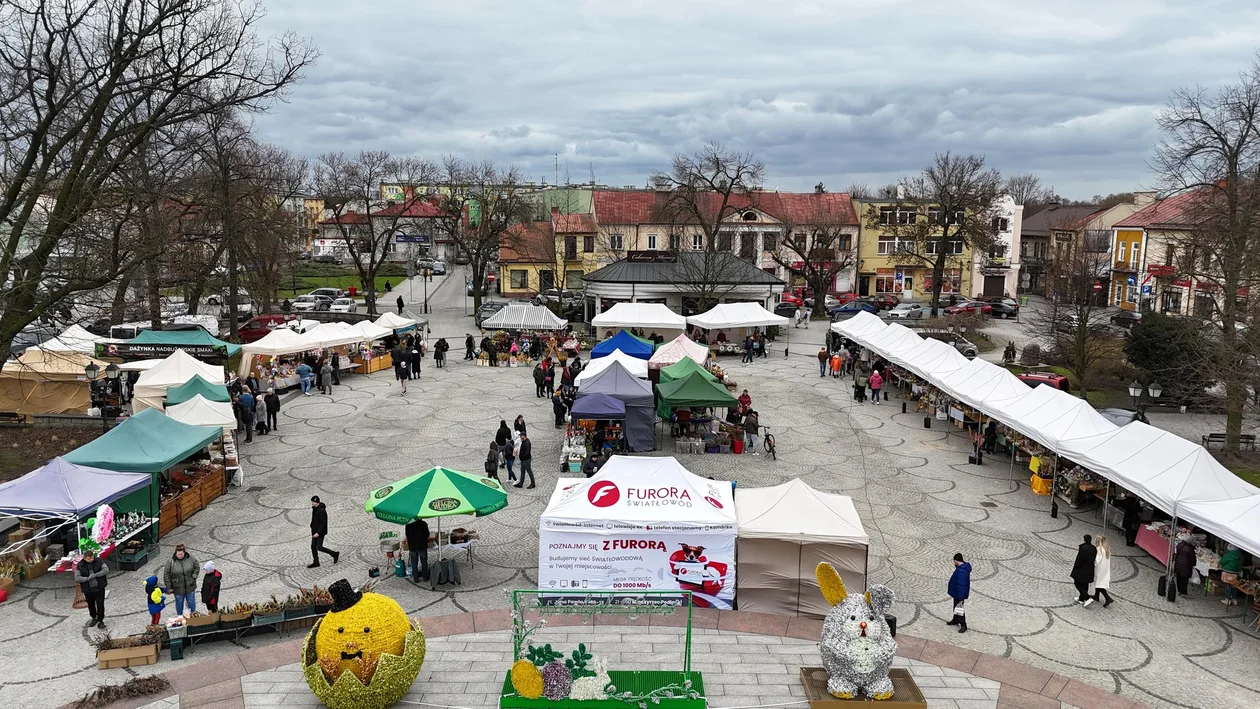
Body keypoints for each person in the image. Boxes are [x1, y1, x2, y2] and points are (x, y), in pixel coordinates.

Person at [75, 548, 108, 629]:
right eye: (89, 558)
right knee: (91, 604)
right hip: (88, 589)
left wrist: (95, 575)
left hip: (99, 587)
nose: (91, 560)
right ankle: (94, 617)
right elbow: (77, 578)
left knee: (100, 604)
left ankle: (101, 620)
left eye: (92, 557)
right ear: (85, 558)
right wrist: (87, 579)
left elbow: (106, 570)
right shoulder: (80, 565)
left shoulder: (99, 561)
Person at [164, 543, 200, 615]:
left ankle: (193, 616)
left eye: (181, 554)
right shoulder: (171, 562)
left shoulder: (190, 558)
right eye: (178, 554)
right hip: (178, 588)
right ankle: (180, 617)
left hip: (190, 585)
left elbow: (197, 566)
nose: (180, 556)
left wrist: (194, 576)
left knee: (191, 601)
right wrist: (169, 587)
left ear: (184, 553)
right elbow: (166, 574)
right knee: (179, 603)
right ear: (175, 553)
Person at [309, 496, 339, 568]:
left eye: (313, 502)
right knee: (313, 547)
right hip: (314, 531)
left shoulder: (321, 511)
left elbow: (323, 523)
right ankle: (316, 562)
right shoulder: (315, 509)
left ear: (317, 502)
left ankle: (334, 554)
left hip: (320, 532)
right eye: (312, 502)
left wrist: (318, 533)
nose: (312, 503)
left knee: (319, 547)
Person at [946, 553, 970, 633]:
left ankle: (963, 625)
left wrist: (960, 596)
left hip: (959, 594)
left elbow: (961, 585)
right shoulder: (961, 569)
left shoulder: (961, 572)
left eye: (954, 561)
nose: (953, 562)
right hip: (957, 593)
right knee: (956, 607)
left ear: (956, 560)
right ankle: (955, 620)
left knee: (959, 609)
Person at [1070, 534, 1096, 606]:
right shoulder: (1094, 548)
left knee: (1077, 583)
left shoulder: (1083, 548)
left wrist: (1076, 567)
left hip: (1082, 569)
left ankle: (1087, 597)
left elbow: (1079, 559)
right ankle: (1081, 598)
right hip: (1090, 568)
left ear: (1084, 539)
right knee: (1085, 583)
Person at [405, 517, 430, 583]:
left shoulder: (408, 525)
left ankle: (416, 578)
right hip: (422, 546)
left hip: (412, 546)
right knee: (424, 562)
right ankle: (425, 577)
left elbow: (407, 535)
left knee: (414, 563)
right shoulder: (423, 524)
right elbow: (427, 535)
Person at [1092, 535, 1113, 607]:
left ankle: (1108, 598)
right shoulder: (1106, 548)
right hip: (1105, 569)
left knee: (1099, 584)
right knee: (1099, 583)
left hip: (1099, 569)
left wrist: (1092, 564)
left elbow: (1097, 560)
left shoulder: (1099, 549)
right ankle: (1096, 596)